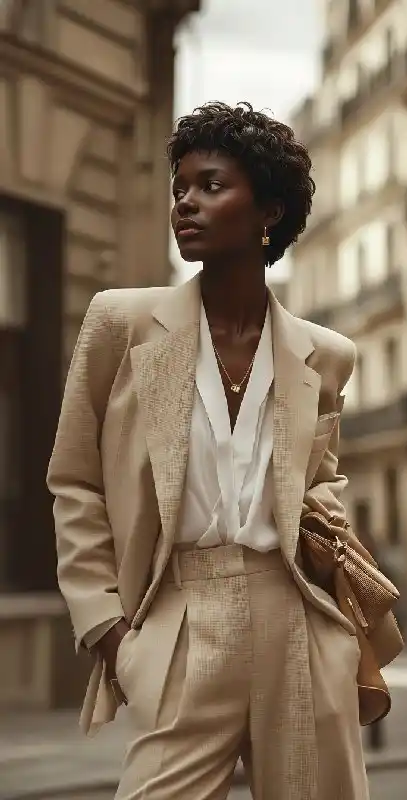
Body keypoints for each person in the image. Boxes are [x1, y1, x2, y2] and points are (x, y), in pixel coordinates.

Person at [47, 102, 370, 800]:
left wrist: (337, 627)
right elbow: (75, 480)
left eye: (210, 185)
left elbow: (319, 484)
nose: (185, 203)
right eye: (179, 188)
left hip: (294, 616)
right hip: (179, 617)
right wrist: (107, 629)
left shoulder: (326, 356)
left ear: (268, 212)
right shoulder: (120, 324)